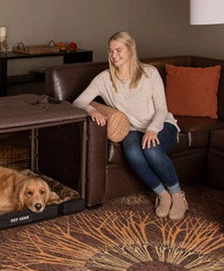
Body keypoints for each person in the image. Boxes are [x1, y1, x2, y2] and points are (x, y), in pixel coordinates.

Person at [73, 31, 188, 220]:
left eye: (118, 50)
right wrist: (92, 110)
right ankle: (163, 195)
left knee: (152, 150)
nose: (114, 55)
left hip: (161, 124)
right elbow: (78, 102)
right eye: (110, 51)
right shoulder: (104, 78)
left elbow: (161, 109)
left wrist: (152, 130)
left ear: (130, 49)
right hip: (133, 129)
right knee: (133, 153)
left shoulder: (149, 73)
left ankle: (177, 196)